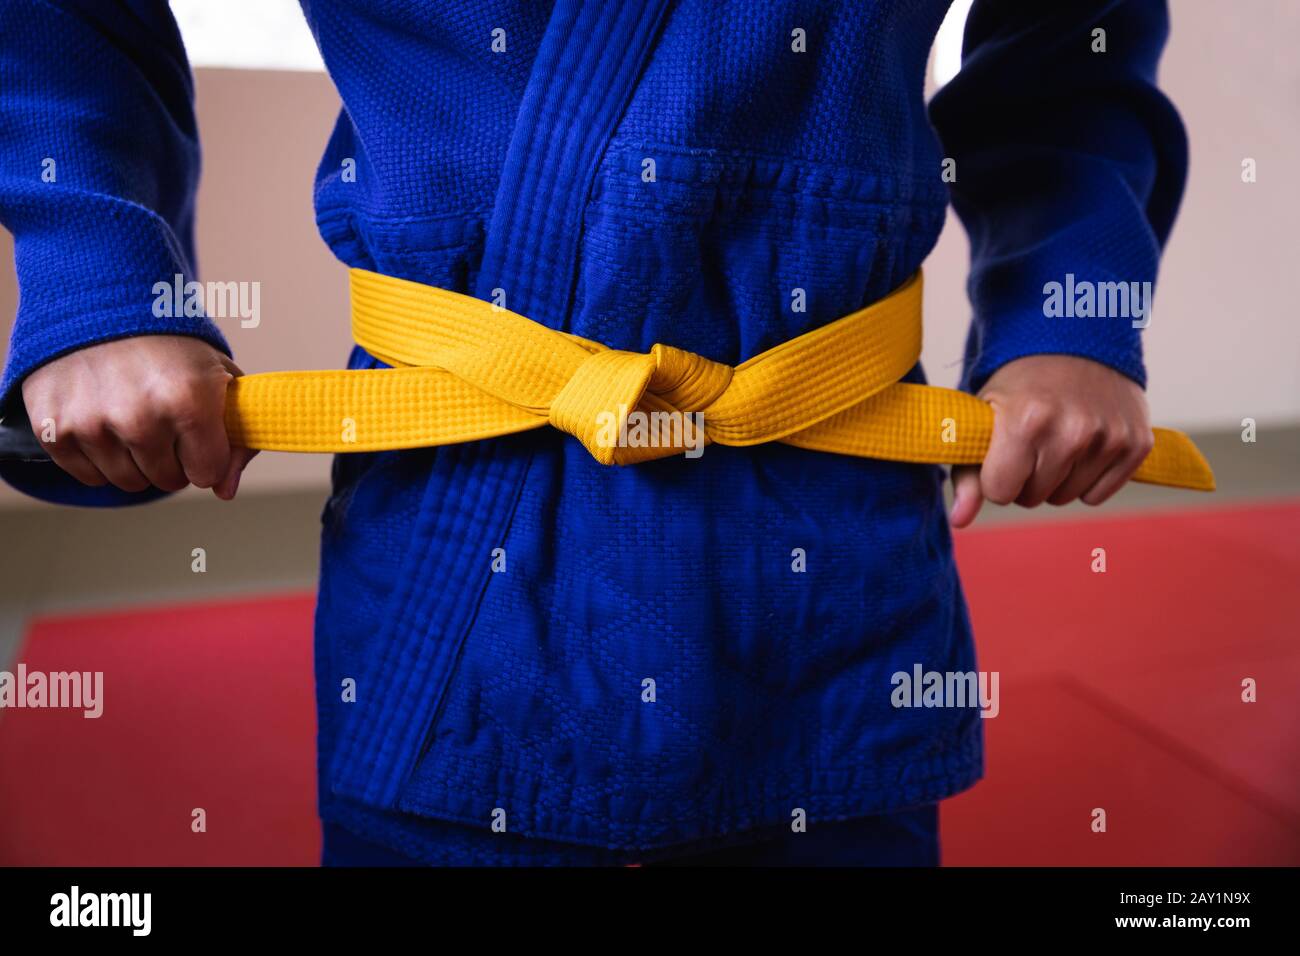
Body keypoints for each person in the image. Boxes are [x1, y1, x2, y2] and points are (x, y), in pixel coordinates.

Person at [0, 0, 1186, 865]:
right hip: (458, 538)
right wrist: (100, 278)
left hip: (824, 537)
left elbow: (1074, 34)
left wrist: (1061, 305)